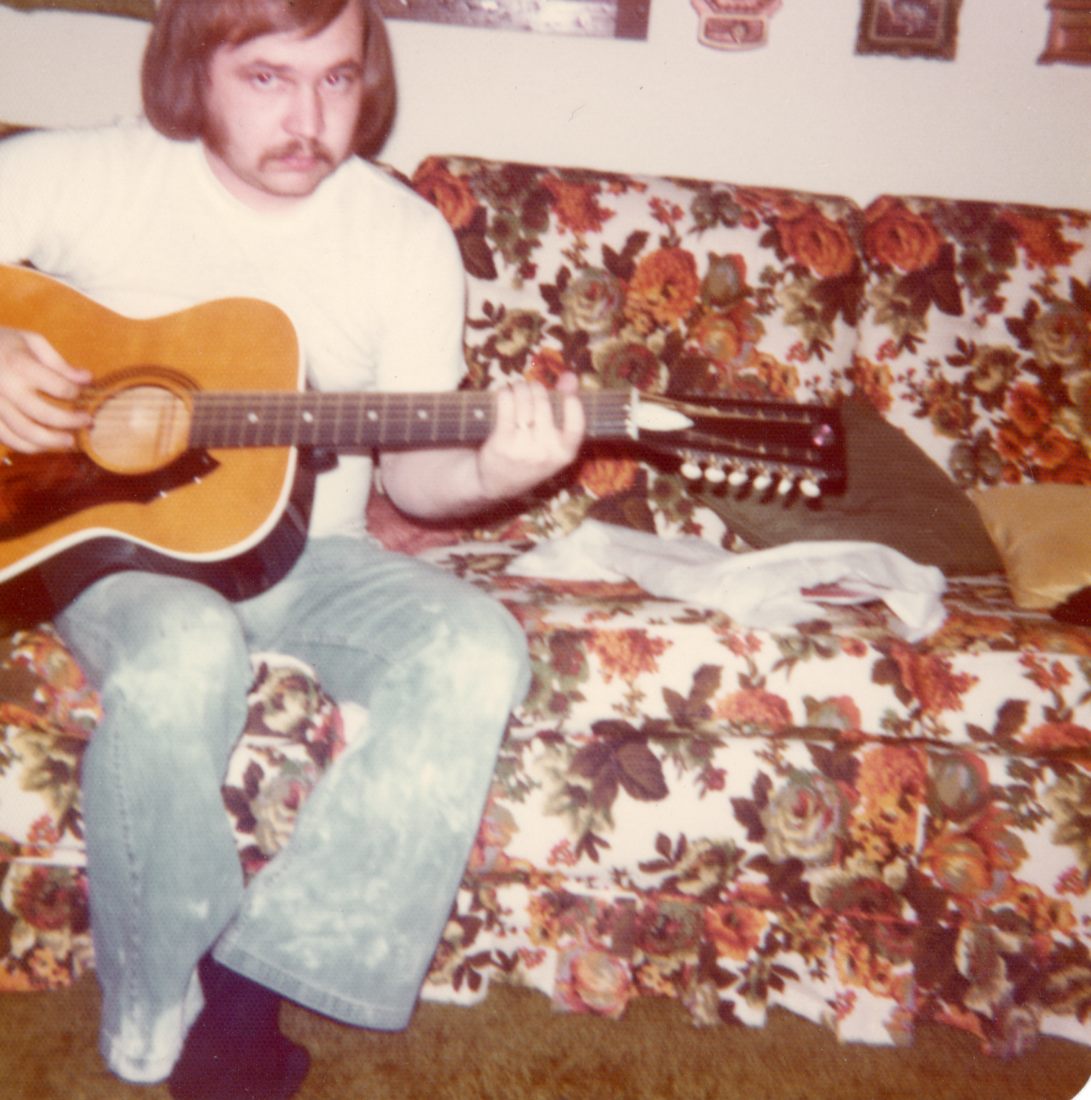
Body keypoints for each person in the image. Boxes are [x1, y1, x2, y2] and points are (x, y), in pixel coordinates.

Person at [0, 1, 585, 1098]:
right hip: (115, 548)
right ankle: (146, 1001)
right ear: (193, 73)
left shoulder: (402, 235)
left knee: (474, 644)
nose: (310, 117)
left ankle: (252, 978)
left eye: (339, 79)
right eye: (268, 77)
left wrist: (500, 470)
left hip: (314, 553)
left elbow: (415, 478)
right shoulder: (88, 171)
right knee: (179, 649)